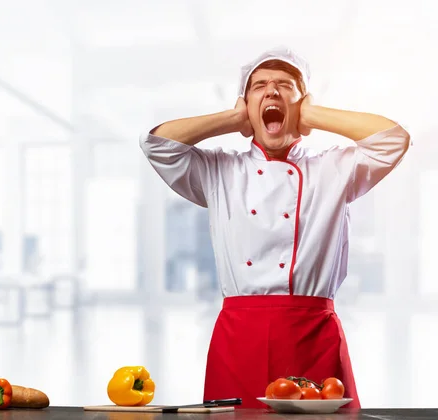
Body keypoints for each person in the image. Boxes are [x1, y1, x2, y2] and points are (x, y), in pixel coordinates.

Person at [138, 46, 411, 409]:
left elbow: (393, 140)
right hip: (239, 337)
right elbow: (157, 145)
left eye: (285, 85)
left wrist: (312, 114)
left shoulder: (334, 169)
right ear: (245, 105)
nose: (272, 91)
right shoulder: (219, 170)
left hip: (312, 334)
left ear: (302, 105)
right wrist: (232, 119)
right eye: (260, 85)